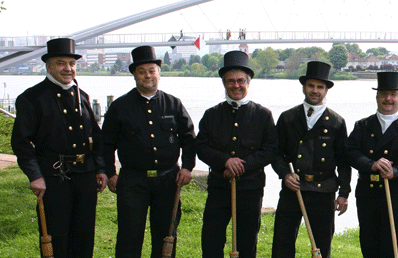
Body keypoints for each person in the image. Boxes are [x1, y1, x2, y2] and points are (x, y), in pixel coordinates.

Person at [12, 38, 107, 258]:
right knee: (57, 237)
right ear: (49, 66)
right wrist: (35, 175)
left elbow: (96, 137)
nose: (68, 68)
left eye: (72, 64)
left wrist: (100, 168)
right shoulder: (32, 98)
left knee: (84, 236)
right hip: (54, 177)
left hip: (85, 176)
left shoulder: (81, 96)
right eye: (61, 63)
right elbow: (21, 143)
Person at [101, 46, 196, 258]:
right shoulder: (120, 107)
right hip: (133, 181)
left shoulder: (173, 104)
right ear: (134, 74)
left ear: (159, 73)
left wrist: (188, 167)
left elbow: (189, 138)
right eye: (142, 70)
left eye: (152, 70)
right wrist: (110, 173)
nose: (147, 75)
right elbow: (106, 144)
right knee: (129, 235)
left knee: (166, 236)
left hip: (168, 180)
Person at [196, 51, 278, 258]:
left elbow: (270, 150)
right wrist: (225, 161)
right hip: (218, 188)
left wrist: (243, 165)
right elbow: (202, 146)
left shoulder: (263, 115)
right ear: (224, 83)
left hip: (250, 189)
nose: (236, 86)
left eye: (241, 81)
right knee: (211, 240)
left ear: (248, 83)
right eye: (230, 81)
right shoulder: (211, 114)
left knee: (247, 242)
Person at [272, 61, 351, 258]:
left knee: (321, 246)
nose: (315, 91)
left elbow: (343, 161)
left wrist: (344, 193)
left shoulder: (336, 122)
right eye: (311, 86)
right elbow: (275, 152)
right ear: (304, 87)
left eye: (320, 87)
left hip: (323, 191)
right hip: (293, 188)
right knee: (282, 242)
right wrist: (284, 174)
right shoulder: (287, 118)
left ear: (326, 90)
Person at [346, 71, 398, 258]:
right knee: (369, 244)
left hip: (396, 194)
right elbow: (350, 153)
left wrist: (395, 172)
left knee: (394, 245)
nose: (388, 99)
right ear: (377, 97)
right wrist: (371, 164)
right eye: (383, 94)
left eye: (393, 94)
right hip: (367, 193)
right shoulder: (362, 126)